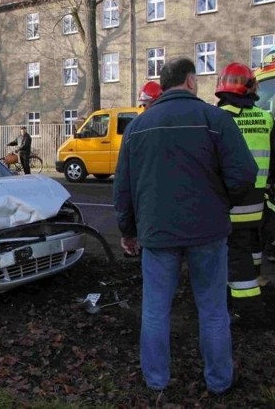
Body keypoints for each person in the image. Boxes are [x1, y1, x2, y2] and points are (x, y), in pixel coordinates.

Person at [113, 57, 257, 394]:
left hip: (157, 234)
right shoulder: (214, 119)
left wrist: (128, 231)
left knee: (155, 309)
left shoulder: (138, 127)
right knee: (212, 310)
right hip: (208, 231)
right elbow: (244, 174)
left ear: (162, 86)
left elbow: (123, 187)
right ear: (191, 81)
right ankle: (220, 381)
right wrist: (221, 203)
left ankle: (156, 381)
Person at [215, 62, 275, 322]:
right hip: (260, 203)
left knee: (235, 257)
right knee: (253, 247)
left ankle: (248, 310)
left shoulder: (219, 118)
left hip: (231, 203)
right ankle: (258, 280)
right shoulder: (266, 117)